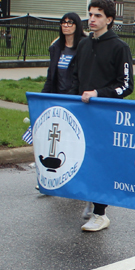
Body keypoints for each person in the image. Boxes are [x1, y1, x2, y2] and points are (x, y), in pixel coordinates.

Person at [70, 0, 134, 231]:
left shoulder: (120, 47)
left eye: (98, 15)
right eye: (90, 14)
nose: (92, 19)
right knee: (83, 159)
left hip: (106, 115)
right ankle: (91, 199)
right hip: (82, 114)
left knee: (101, 163)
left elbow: (126, 85)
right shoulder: (84, 45)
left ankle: (100, 213)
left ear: (109, 19)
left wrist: (99, 93)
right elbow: (75, 76)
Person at [41, 12, 92, 215]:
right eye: (63, 22)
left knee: (74, 142)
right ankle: (53, 177)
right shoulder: (57, 47)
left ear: (77, 26)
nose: (66, 25)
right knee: (57, 140)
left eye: (70, 22)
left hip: (75, 100)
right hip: (57, 98)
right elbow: (50, 75)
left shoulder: (84, 46)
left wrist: (73, 96)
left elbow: (81, 75)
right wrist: (44, 97)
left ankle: (78, 180)